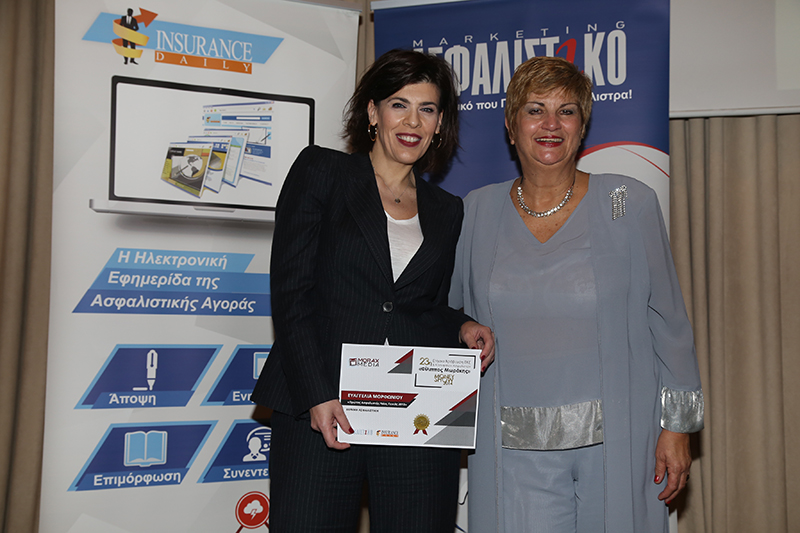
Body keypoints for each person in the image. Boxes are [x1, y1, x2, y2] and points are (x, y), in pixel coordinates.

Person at [449, 56, 704, 533]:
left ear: (582, 126)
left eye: (566, 111)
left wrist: (678, 427)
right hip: (509, 451)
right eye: (535, 110)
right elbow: (447, 313)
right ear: (510, 126)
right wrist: (461, 328)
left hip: (619, 444)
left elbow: (670, 324)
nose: (551, 124)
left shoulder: (625, 201)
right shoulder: (476, 210)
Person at [252, 49, 495, 533]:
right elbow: (292, 293)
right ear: (372, 112)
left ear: (440, 123)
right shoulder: (322, 172)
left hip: (414, 413)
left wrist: (462, 324)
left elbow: (422, 305)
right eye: (399, 104)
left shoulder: (447, 209)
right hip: (319, 405)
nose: (413, 121)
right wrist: (317, 393)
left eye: (427, 109)